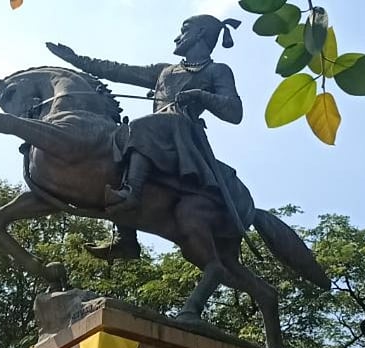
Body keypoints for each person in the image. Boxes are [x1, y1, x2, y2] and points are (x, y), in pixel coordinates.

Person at [47, 14, 244, 260]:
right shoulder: (165, 71)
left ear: (201, 33)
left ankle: (132, 194)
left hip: (182, 133)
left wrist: (200, 95)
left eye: (184, 30)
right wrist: (76, 59)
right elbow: (116, 70)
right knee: (117, 140)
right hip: (155, 133)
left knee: (141, 126)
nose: (177, 37)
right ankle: (126, 239)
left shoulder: (217, 71)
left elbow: (234, 112)